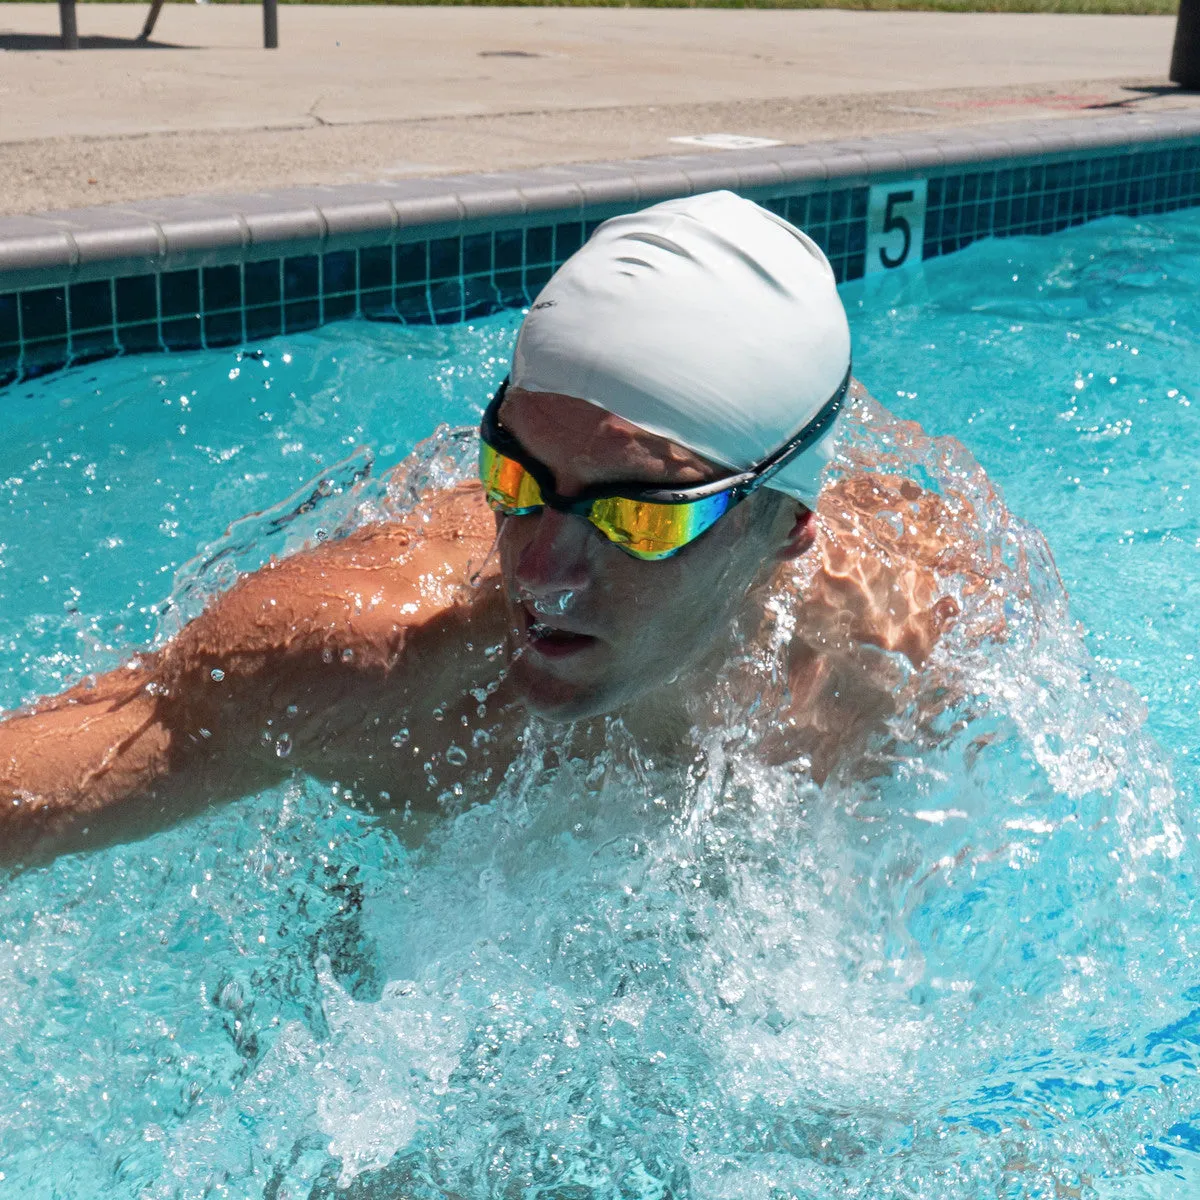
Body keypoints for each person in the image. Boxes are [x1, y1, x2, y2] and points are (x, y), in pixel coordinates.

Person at [0, 191, 969, 865]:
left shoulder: (901, 633)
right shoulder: (362, 659)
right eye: (513, 477)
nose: (543, 570)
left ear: (786, 530)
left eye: (638, 515)